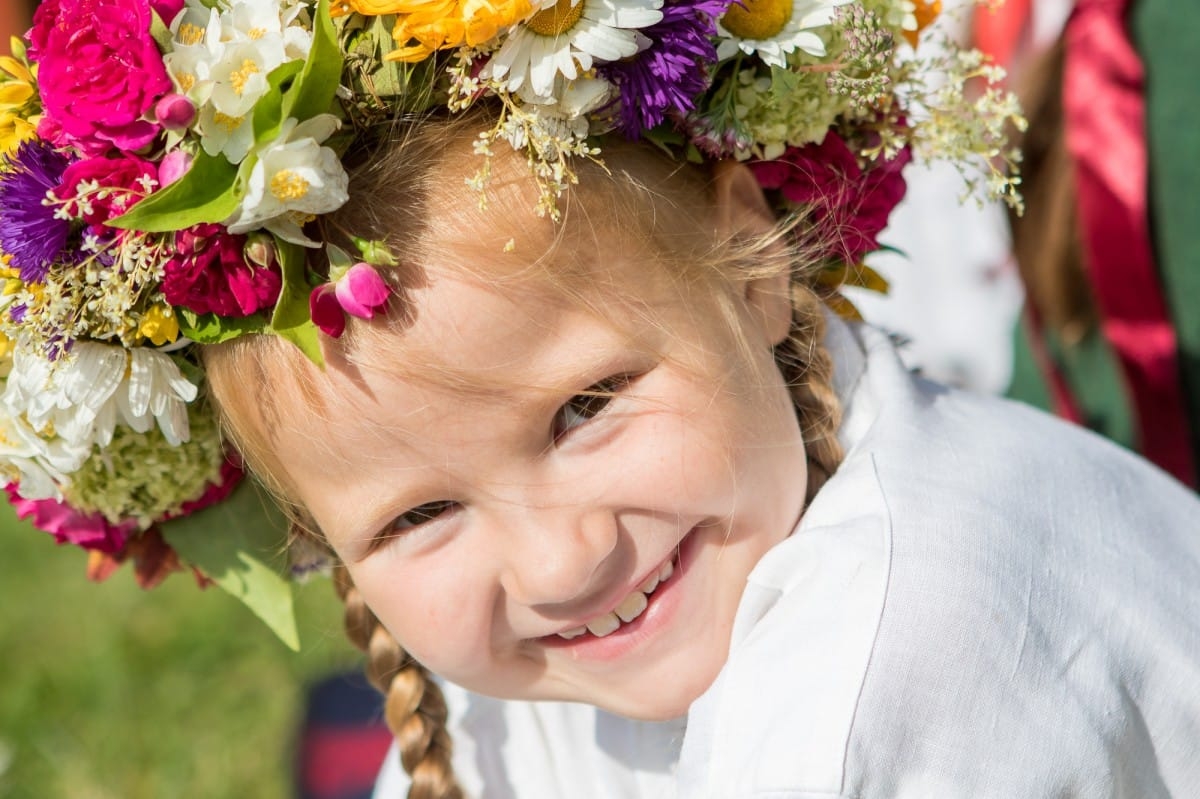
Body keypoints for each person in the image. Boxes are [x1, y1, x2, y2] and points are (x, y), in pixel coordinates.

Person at [2, 2, 1198, 799]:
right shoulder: (619, 609)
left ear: (756, 263)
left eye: (586, 409)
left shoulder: (896, 675)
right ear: (318, 541)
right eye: (416, 517)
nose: (562, 561)